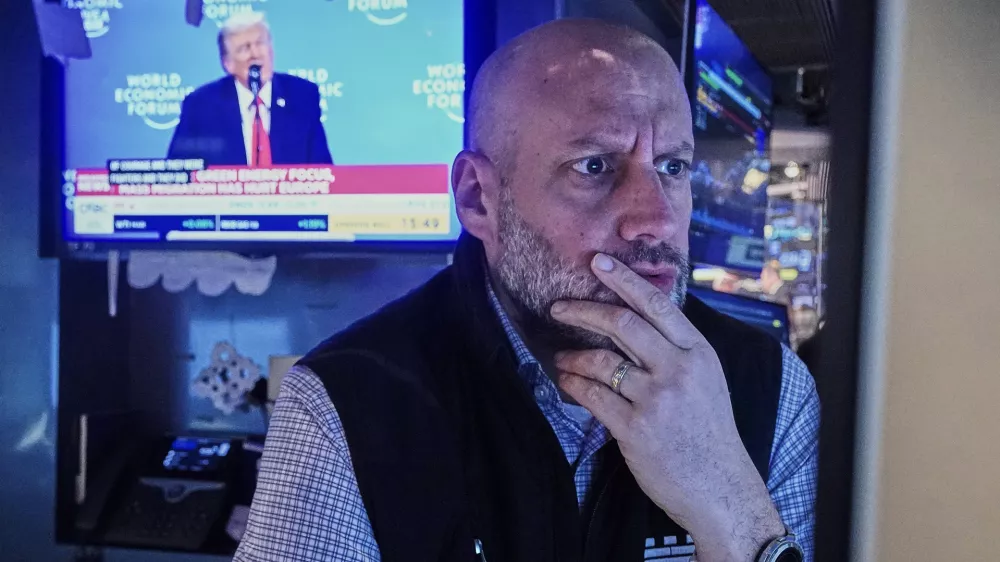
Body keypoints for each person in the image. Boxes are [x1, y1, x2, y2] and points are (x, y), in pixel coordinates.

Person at [234, 19, 819, 562]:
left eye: (672, 167)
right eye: (595, 166)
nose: (658, 220)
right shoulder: (348, 403)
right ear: (477, 199)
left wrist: (728, 501)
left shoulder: (771, 387)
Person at [167, 12, 333, 167]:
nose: (255, 54)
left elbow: (323, 171)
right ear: (227, 64)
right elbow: (179, 173)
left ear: (271, 50)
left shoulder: (302, 95)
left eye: (260, 43)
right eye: (244, 48)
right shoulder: (201, 105)